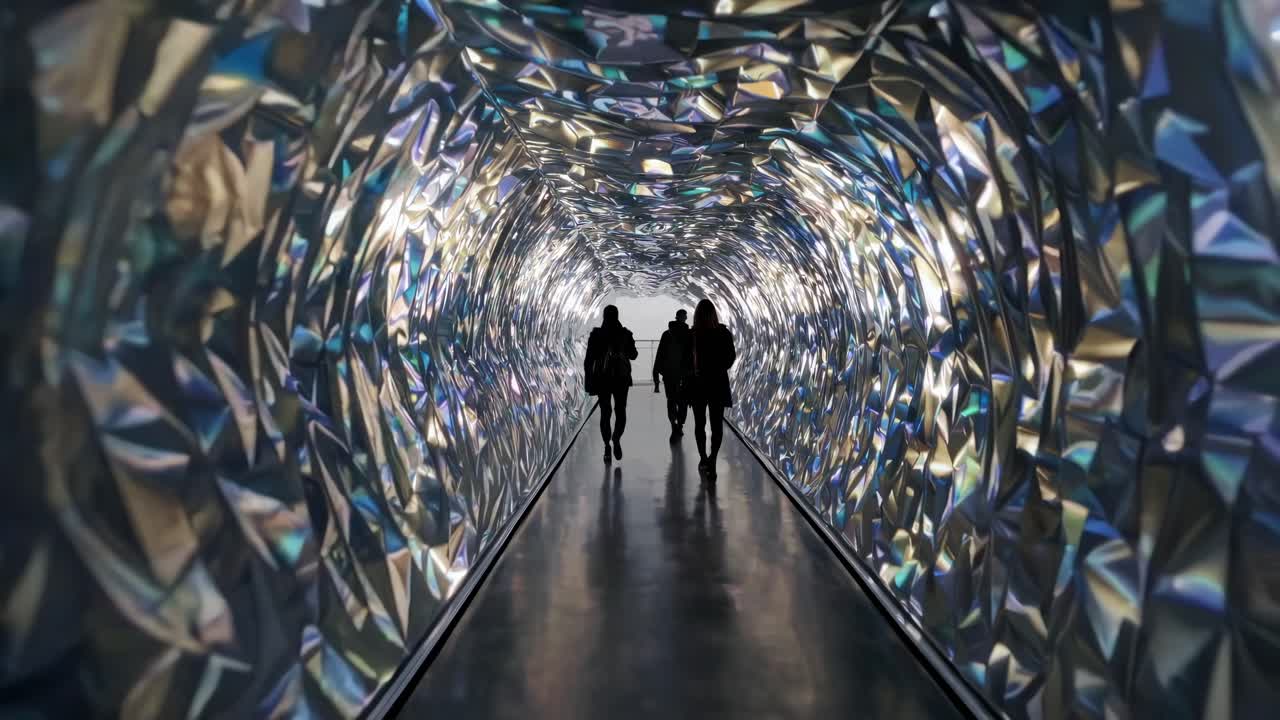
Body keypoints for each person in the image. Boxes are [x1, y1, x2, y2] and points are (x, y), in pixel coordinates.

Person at [685, 299, 735, 479]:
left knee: (700, 423)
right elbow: (730, 358)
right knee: (716, 425)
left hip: (698, 385)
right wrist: (718, 368)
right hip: (718, 384)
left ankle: (703, 458)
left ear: (696, 315)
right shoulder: (723, 333)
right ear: (714, 314)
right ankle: (713, 459)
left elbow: (686, 361)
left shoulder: (692, 334)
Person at [583, 305, 638, 463]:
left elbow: (589, 361)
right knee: (621, 410)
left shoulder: (596, 335)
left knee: (605, 413)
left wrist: (589, 383)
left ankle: (607, 446)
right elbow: (634, 355)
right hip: (621, 378)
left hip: (602, 379)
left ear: (604, 316)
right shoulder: (625, 334)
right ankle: (616, 438)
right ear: (617, 315)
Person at [652, 308, 691, 441]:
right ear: (684, 318)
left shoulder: (667, 334)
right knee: (683, 402)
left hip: (669, 374)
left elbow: (660, 354)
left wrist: (656, 375)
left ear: (676, 317)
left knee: (671, 400)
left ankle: (673, 425)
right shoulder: (688, 334)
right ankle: (679, 425)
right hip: (684, 375)